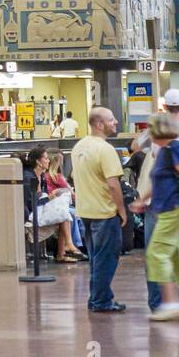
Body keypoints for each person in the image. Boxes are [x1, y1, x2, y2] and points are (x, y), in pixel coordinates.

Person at [129, 88, 179, 311]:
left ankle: (163, 303)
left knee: (156, 253)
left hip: (168, 206)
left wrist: (143, 199)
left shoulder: (169, 146)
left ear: (164, 107)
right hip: (172, 204)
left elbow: (134, 147)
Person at [72, 107, 129, 312]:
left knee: (96, 259)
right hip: (104, 213)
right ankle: (101, 301)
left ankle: (96, 297)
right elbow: (113, 184)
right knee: (106, 260)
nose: (115, 122)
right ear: (99, 124)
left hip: (85, 212)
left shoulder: (79, 147)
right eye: (111, 120)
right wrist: (121, 210)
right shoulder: (106, 150)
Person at [32, 146, 83, 262]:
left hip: (44, 206)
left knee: (65, 214)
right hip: (38, 209)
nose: (48, 161)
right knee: (67, 215)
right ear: (38, 161)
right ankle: (72, 246)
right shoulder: (40, 178)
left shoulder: (42, 177)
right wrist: (52, 196)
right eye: (45, 158)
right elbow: (37, 199)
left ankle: (64, 251)